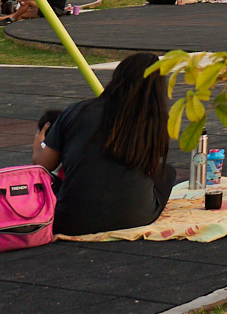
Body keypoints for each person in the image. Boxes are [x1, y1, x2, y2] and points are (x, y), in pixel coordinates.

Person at [35, 52, 177, 236]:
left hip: (72, 222)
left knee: (57, 183)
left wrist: (38, 146)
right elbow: (149, 167)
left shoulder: (77, 111)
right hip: (135, 218)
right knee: (167, 172)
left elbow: (43, 167)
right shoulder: (154, 121)